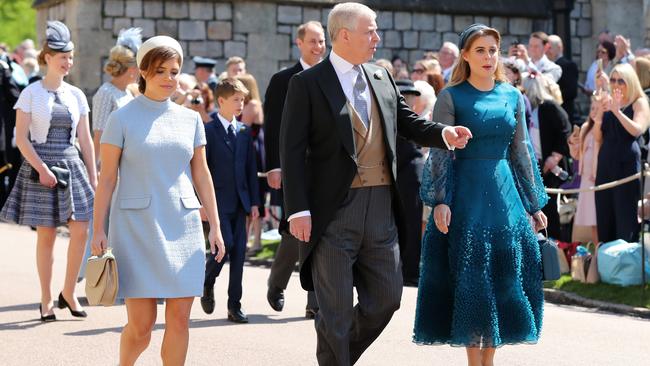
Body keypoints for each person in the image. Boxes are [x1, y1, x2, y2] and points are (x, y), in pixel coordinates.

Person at [280, 3, 472, 364]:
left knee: (387, 298)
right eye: (370, 31)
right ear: (344, 35)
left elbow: (408, 123)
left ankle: (335, 357)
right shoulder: (305, 84)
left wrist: (444, 133)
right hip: (332, 211)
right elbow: (291, 151)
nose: (377, 37)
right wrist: (297, 210)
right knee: (334, 310)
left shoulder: (381, 78)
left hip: (382, 206)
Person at [413, 24, 549, 366]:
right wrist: (440, 200)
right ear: (465, 56)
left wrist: (534, 204)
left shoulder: (512, 95)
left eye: (493, 50)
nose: (488, 57)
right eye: (480, 50)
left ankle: (489, 362)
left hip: (507, 200)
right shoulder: (451, 96)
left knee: (503, 281)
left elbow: (521, 151)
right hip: (467, 197)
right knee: (473, 282)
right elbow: (441, 153)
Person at [91, 36, 225, 365]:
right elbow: (107, 178)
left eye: (174, 71)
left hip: (183, 226)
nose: (168, 78)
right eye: (161, 70)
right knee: (142, 326)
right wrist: (98, 229)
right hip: (136, 228)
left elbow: (202, 174)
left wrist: (216, 226)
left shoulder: (191, 119)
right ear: (143, 71)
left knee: (179, 320)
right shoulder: (121, 118)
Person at [0, 21, 96, 321]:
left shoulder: (77, 95)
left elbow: (86, 139)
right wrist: (41, 169)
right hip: (40, 166)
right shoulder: (30, 93)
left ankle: (68, 292)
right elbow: (21, 138)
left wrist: (93, 175)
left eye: (70, 57)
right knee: (47, 236)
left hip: (71, 164)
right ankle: (45, 298)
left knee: (80, 230)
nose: (68, 62)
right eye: (62, 57)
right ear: (47, 58)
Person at [263, 20, 325, 318]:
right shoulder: (282, 80)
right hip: (293, 168)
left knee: (321, 232)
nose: (318, 47)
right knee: (293, 232)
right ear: (299, 43)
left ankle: (315, 302)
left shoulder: (333, 77)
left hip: (325, 169)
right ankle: (277, 284)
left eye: (321, 41)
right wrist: (274, 166)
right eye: (312, 41)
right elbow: (273, 127)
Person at [200, 78, 259, 323]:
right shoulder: (209, 130)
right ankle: (207, 281)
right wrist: (202, 203)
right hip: (217, 204)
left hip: (240, 203)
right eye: (236, 100)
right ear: (221, 101)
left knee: (238, 255)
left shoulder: (244, 132)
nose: (240, 104)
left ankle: (234, 305)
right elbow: (200, 170)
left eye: (242, 100)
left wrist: (255, 203)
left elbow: (250, 170)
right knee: (224, 248)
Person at [593, 63, 650, 243]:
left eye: (621, 80)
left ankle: (626, 259)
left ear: (630, 81)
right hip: (606, 162)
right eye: (613, 80)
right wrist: (600, 114)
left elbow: (637, 130)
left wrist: (617, 112)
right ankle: (607, 259)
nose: (616, 84)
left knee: (625, 213)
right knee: (605, 212)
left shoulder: (638, 101)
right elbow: (597, 136)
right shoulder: (608, 100)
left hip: (627, 163)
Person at [521, 73, 572, 240]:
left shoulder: (549, 107)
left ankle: (554, 247)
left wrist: (555, 157)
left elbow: (565, 130)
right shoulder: (528, 109)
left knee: (550, 211)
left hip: (550, 168)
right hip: (535, 166)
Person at [394, 79, 426, 287]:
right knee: (404, 225)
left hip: (410, 178)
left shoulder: (408, 120)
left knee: (411, 225)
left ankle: (409, 269)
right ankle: (406, 269)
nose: (410, 100)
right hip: (404, 176)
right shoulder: (399, 120)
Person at [235, 73, 266, 255]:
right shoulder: (250, 104)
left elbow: (242, 127)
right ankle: (248, 241)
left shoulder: (253, 105)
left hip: (253, 154)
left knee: (256, 198)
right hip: (249, 150)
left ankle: (257, 241)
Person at [568, 98, 600, 245]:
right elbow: (577, 155)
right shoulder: (586, 128)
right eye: (592, 108)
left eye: (598, 109)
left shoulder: (605, 129)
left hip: (598, 179)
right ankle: (597, 250)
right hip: (587, 180)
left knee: (599, 218)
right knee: (592, 221)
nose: (594, 112)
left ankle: (600, 250)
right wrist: (573, 144)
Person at [547, 35, 579, 123]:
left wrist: (550, 95)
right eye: (546, 48)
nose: (547, 51)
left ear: (559, 47)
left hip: (563, 114)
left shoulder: (568, 66)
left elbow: (571, 92)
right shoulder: (544, 67)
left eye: (550, 48)